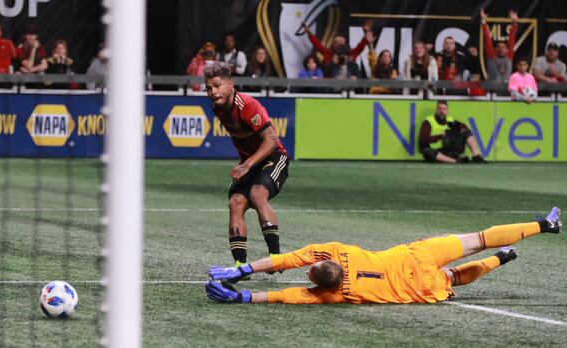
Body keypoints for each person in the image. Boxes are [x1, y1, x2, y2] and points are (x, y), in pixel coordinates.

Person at [206, 207, 562, 304]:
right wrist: (246, 269)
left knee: (455, 278)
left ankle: (504, 257)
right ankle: (544, 225)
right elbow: (286, 261)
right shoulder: (338, 250)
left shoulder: (331, 294)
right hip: (415, 257)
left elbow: (288, 295)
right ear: (322, 263)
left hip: (417, 288)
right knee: (479, 238)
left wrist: (245, 297)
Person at [204, 62, 289, 274]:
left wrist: (247, 164)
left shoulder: (248, 106)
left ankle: (276, 259)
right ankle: (240, 267)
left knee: (257, 194)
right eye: (208, 88)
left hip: (274, 157)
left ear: (230, 85)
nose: (213, 92)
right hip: (250, 162)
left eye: (217, 85)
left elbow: (271, 140)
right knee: (235, 202)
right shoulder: (219, 108)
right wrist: (247, 164)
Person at [419, 100, 487, 164]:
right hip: (437, 151)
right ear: (436, 110)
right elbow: (424, 139)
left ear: (447, 111)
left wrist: (457, 132)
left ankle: (476, 156)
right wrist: (440, 136)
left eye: (444, 109)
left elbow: (464, 127)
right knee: (426, 152)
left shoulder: (450, 120)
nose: (442, 111)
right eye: (439, 109)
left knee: (466, 132)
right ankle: (457, 161)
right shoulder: (428, 121)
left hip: (450, 149)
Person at [302, 21, 370, 65]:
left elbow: (360, 47)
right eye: (337, 42)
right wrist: (308, 32)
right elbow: (317, 44)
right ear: (333, 43)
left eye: (341, 42)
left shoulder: (351, 54)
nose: (340, 44)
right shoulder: (328, 53)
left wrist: (366, 35)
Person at [480, 9, 518, 82]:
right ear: (495, 49)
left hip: (506, 91)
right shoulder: (491, 55)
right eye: (498, 47)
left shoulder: (509, 55)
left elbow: (512, 38)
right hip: (492, 90)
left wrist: (515, 22)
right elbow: (487, 39)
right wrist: (483, 22)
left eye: (503, 47)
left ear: (507, 49)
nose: (501, 49)